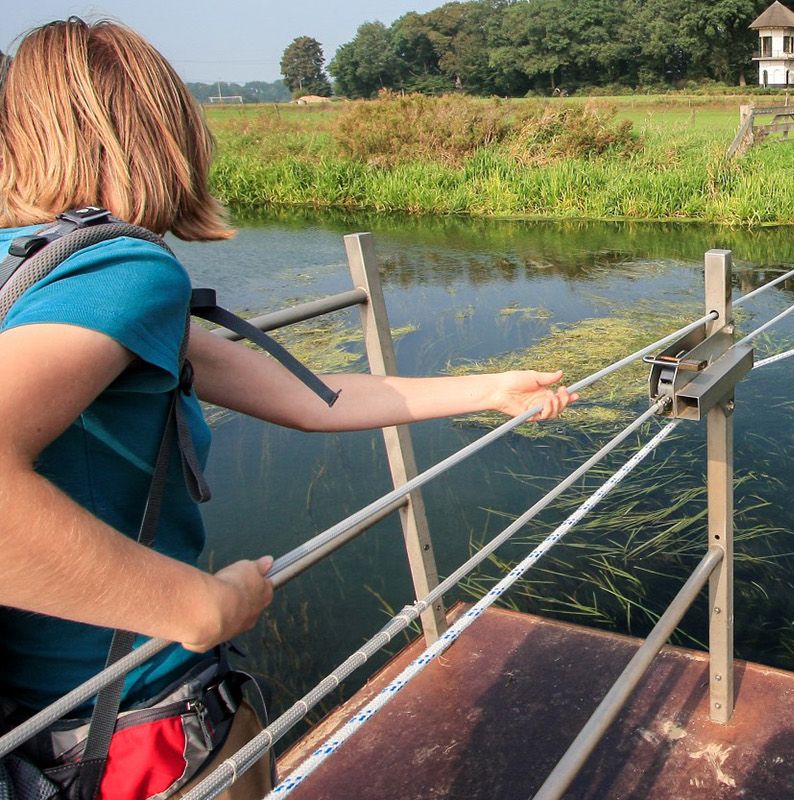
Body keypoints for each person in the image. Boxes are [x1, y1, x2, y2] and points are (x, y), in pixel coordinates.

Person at [0, 18, 575, 799]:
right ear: (159, 128)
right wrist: (198, 607)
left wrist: (490, 388)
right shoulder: (124, 268)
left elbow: (314, 398)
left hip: (33, 724)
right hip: (132, 722)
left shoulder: (27, 269)